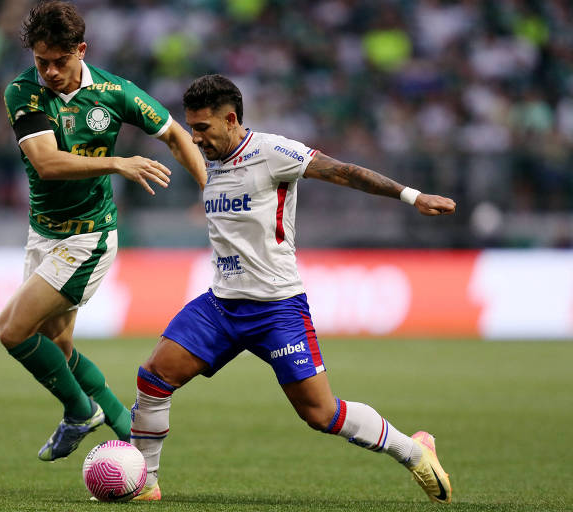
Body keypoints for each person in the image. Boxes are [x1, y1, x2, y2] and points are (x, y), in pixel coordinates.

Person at [129, 74, 456, 503]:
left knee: (321, 414)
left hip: (276, 308)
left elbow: (343, 171)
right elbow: (182, 146)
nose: (196, 138)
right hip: (221, 305)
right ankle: (143, 483)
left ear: (231, 120)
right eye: (191, 128)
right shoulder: (210, 159)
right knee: (153, 378)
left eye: (203, 128)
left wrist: (412, 197)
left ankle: (413, 450)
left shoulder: (271, 151)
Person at [0, 1, 205, 462]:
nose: (49, 71)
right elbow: (47, 164)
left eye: (59, 61)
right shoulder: (23, 92)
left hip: (88, 237)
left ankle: (78, 411)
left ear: (81, 50)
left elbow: (175, 134)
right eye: (41, 61)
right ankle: (129, 432)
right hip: (44, 233)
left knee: (12, 331)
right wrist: (117, 162)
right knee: (58, 343)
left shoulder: (115, 92)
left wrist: (211, 191)